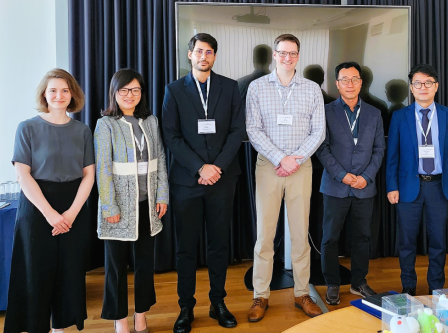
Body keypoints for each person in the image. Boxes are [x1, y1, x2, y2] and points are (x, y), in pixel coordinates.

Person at [162, 33, 245, 332]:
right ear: (189, 54)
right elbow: (170, 136)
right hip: (187, 180)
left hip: (222, 179)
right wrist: (200, 167)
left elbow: (238, 131)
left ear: (214, 56)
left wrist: (216, 167)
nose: (204, 56)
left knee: (219, 244)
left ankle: (218, 303)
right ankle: (186, 307)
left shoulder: (230, 87)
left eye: (209, 52)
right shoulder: (174, 90)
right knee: (185, 247)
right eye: (199, 51)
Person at [4, 68, 94, 333]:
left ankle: (61, 328)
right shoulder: (27, 127)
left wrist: (71, 214)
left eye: (65, 90)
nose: (59, 95)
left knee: (69, 271)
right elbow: (22, 175)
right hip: (36, 207)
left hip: (73, 205)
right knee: (36, 272)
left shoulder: (83, 130)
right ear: (44, 94)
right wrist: (51, 214)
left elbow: (89, 176)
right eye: (53, 90)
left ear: (73, 95)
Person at [246, 33, 326, 321]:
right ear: (274, 55)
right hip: (269, 166)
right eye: (282, 52)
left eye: (293, 53)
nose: (287, 57)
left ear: (298, 56)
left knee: (300, 232)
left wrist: (295, 159)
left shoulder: (311, 88)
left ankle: (302, 292)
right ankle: (260, 295)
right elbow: (253, 129)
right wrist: (281, 158)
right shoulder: (257, 87)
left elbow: (319, 131)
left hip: (301, 167)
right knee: (265, 235)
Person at [94, 69, 169, 333]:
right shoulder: (106, 124)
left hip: (147, 204)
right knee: (115, 266)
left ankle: (141, 316)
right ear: (115, 92)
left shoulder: (150, 121)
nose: (130, 95)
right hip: (119, 207)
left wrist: (162, 195)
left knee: (145, 264)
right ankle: (120, 320)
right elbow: (102, 168)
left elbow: (159, 158)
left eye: (136, 90)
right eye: (124, 90)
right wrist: (108, 206)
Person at [385, 64, 448, 296]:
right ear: (411, 87)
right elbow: (393, 155)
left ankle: (436, 285)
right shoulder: (400, 116)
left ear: (436, 86)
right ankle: (408, 285)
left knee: (439, 241)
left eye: (428, 82)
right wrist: (392, 186)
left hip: (440, 186)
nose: (423, 87)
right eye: (418, 83)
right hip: (409, 186)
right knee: (407, 241)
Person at [316, 61, 385, 305]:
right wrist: (342, 175)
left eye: (354, 79)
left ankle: (359, 282)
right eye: (344, 79)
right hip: (335, 185)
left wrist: (365, 177)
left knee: (362, 238)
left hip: (364, 187)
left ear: (361, 82)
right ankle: (332, 283)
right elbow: (321, 148)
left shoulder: (374, 113)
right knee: (330, 238)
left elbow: (379, 149)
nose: (350, 84)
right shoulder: (325, 111)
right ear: (336, 84)